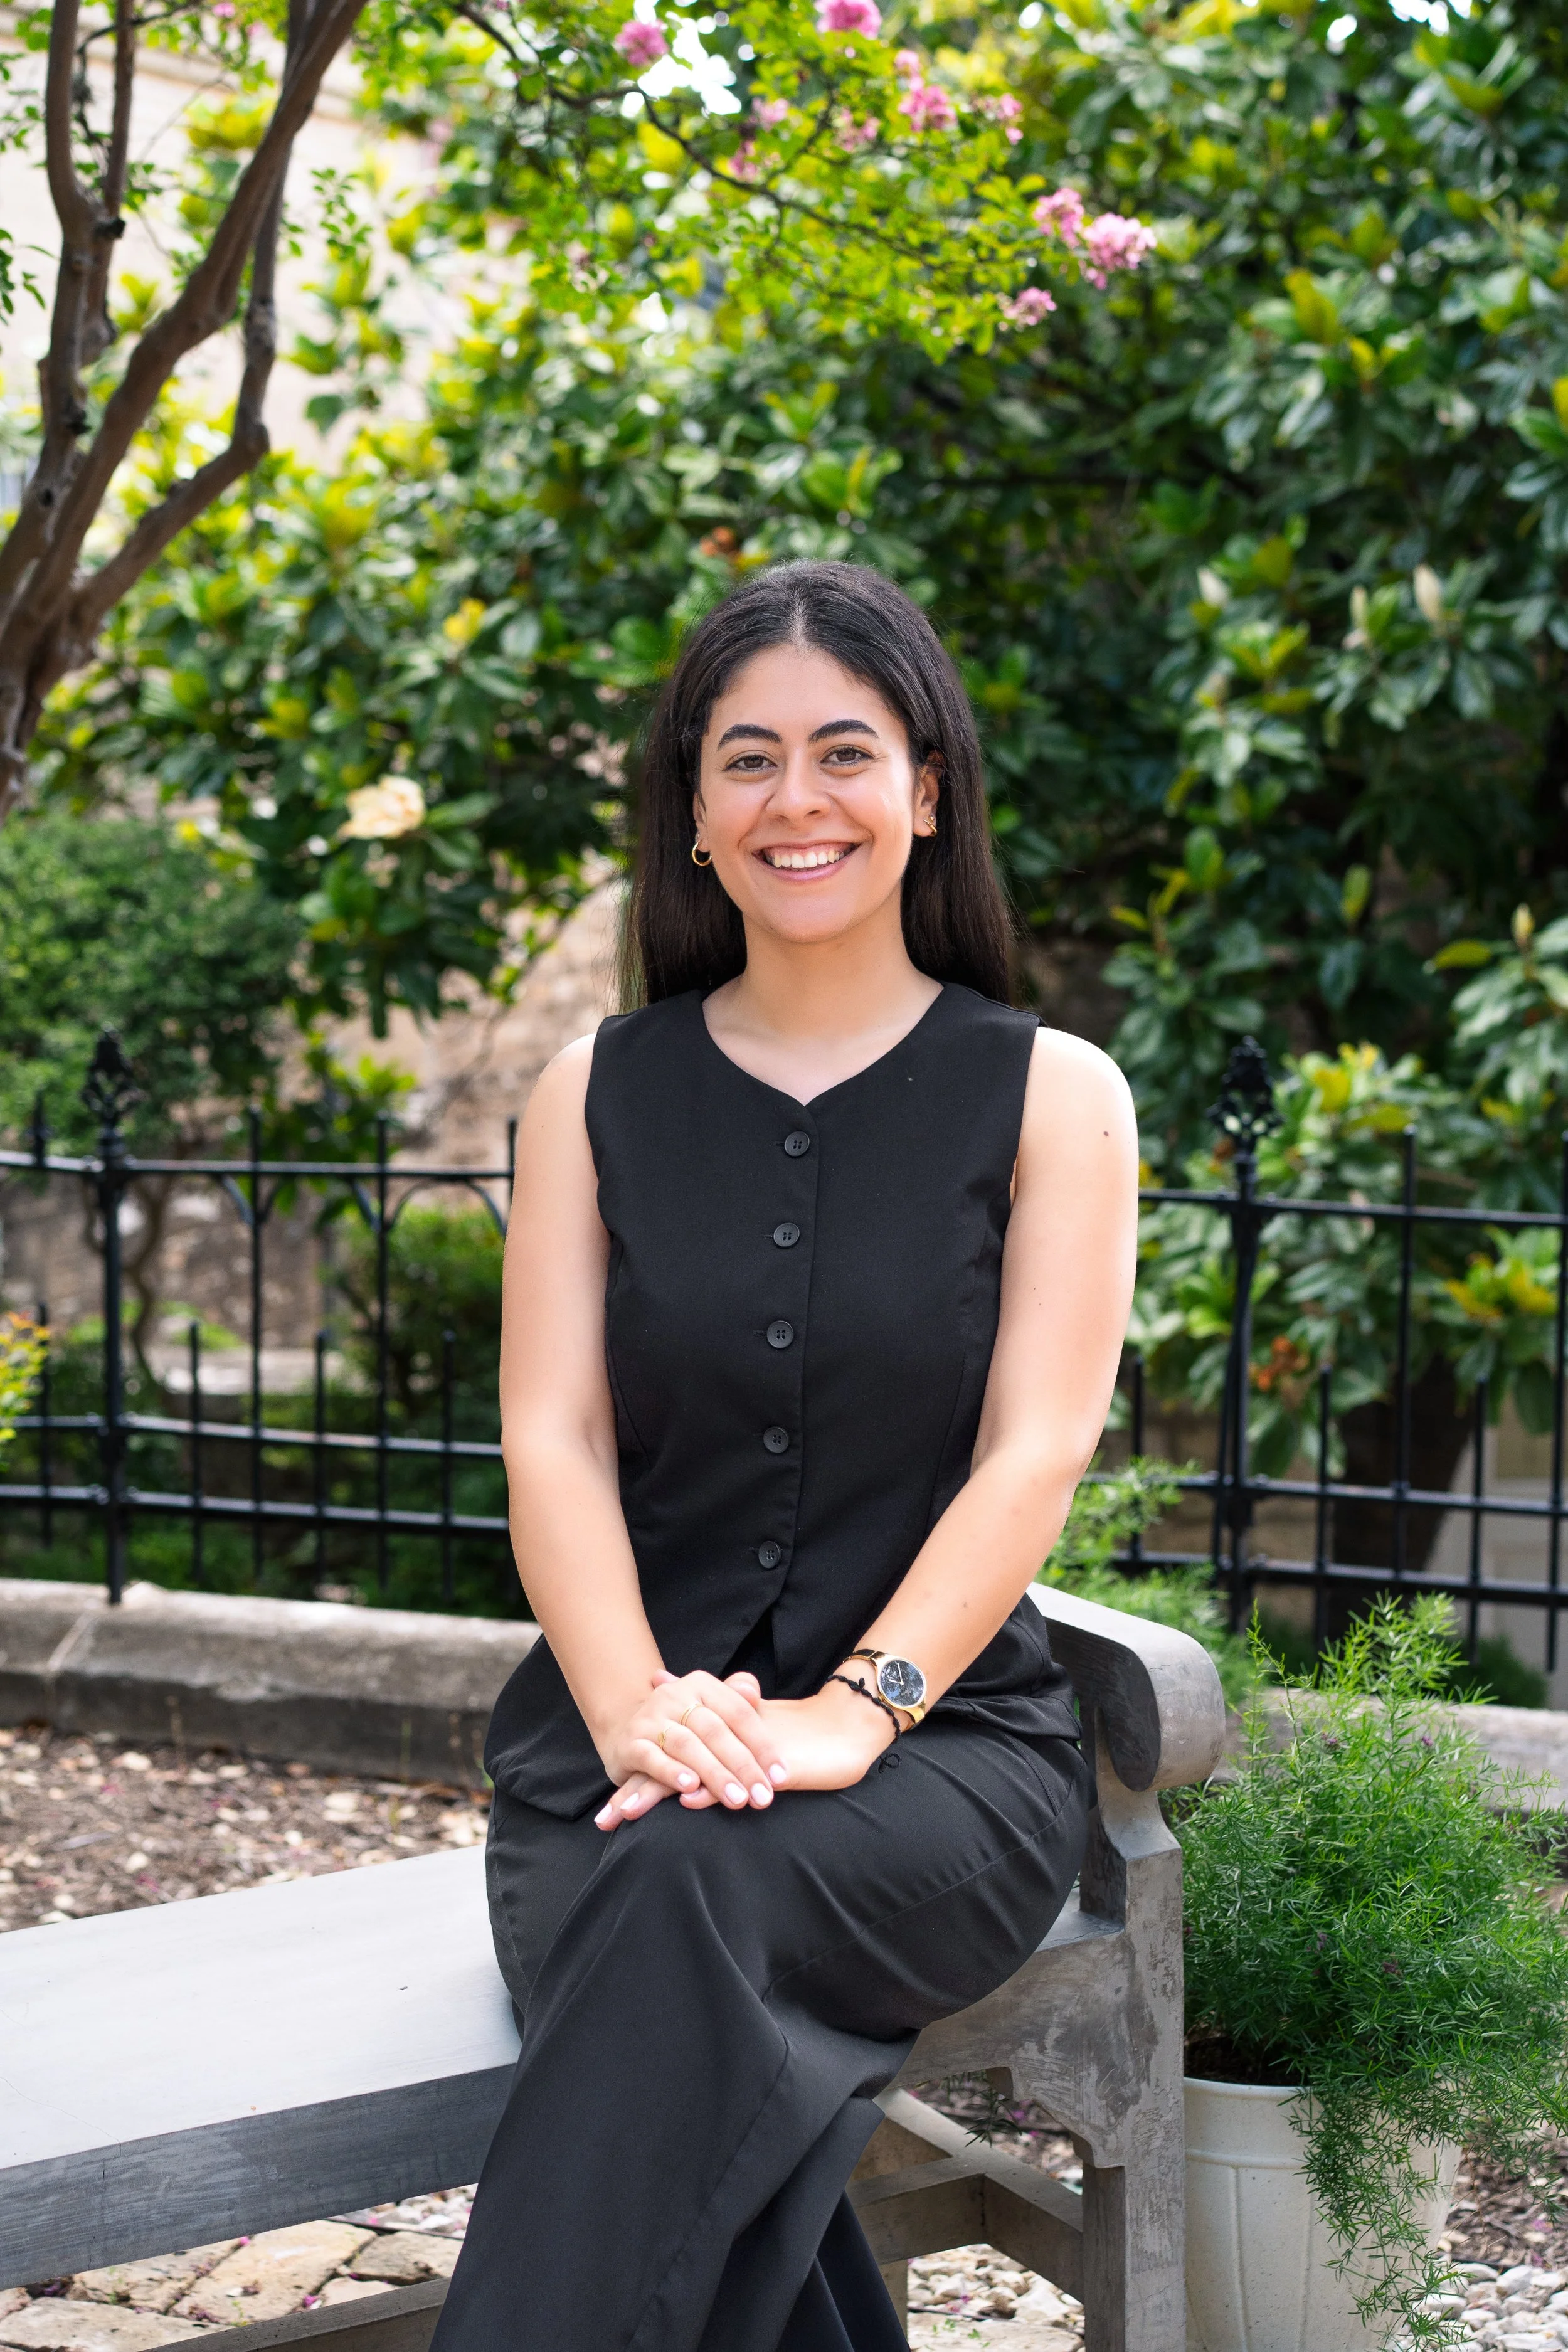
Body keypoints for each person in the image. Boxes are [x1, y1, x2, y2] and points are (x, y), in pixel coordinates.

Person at [430, 559, 1139, 2352]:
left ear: (925, 788)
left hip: (941, 1767)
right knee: (684, 1928)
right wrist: (624, 1706)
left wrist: (858, 1706)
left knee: (685, 1883)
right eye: (745, 759)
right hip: (615, 1754)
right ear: (688, 806)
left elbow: (1035, 1448)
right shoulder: (588, 1093)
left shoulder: (1055, 1092)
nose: (795, 800)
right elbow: (552, 1433)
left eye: (844, 751)